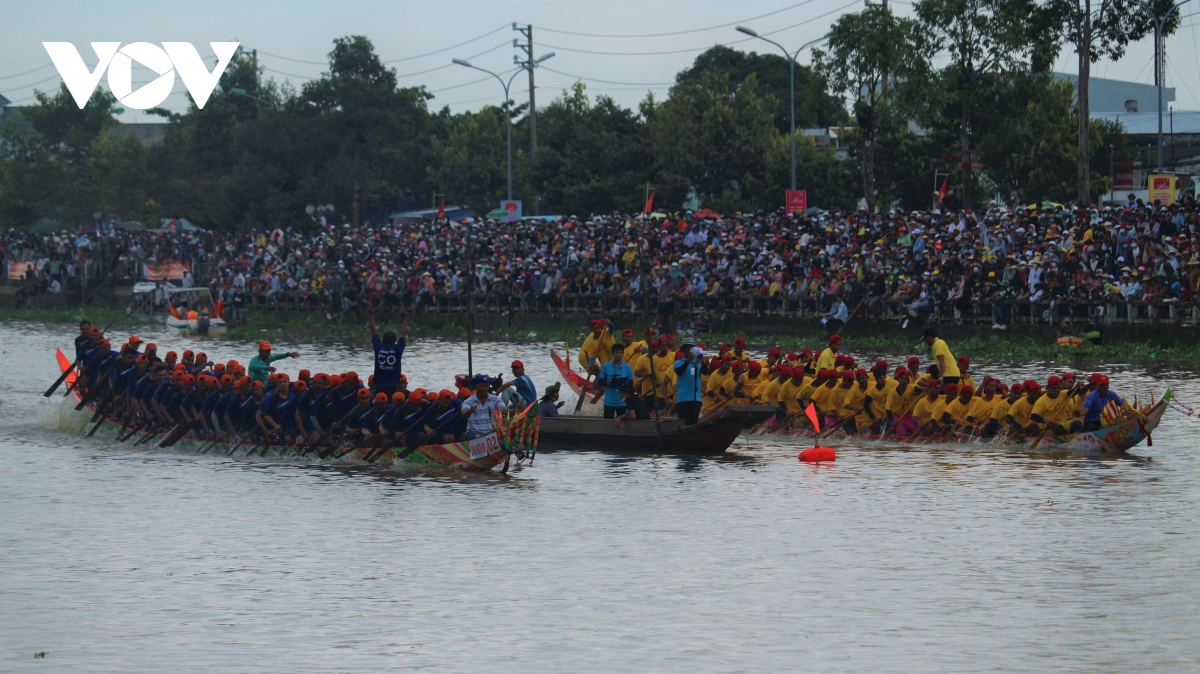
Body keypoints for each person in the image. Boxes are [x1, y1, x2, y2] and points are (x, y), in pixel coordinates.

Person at [368, 305, 408, 398]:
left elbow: (373, 332)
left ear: (382, 340)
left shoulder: (378, 348)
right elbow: (404, 334)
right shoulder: (397, 349)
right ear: (395, 341)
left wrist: (371, 315)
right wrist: (405, 318)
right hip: (393, 387)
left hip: (379, 387)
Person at [591, 343, 635, 419]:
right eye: (616, 352)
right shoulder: (606, 366)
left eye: (620, 353)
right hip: (609, 401)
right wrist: (607, 383)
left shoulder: (627, 367)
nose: (618, 355)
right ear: (613, 353)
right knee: (608, 423)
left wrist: (624, 386)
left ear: (623, 354)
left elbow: (631, 383)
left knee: (622, 424)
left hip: (622, 402)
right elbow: (600, 382)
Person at [461, 374, 507, 440]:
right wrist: (470, 410)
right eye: (482, 387)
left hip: (491, 431)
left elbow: (504, 410)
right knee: (478, 437)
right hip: (474, 432)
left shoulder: (496, 399)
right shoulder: (469, 401)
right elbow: (464, 414)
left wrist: (514, 410)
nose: (485, 389)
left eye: (486, 386)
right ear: (476, 387)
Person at [673, 338, 705, 425]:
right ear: (684, 350)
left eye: (692, 348)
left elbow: (705, 372)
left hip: (696, 399)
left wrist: (703, 361)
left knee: (694, 423)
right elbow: (679, 371)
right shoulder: (679, 362)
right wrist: (688, 361)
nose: (690, 350)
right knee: (684, 423)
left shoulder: (697, 363)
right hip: (683, 399)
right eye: (688, 348)